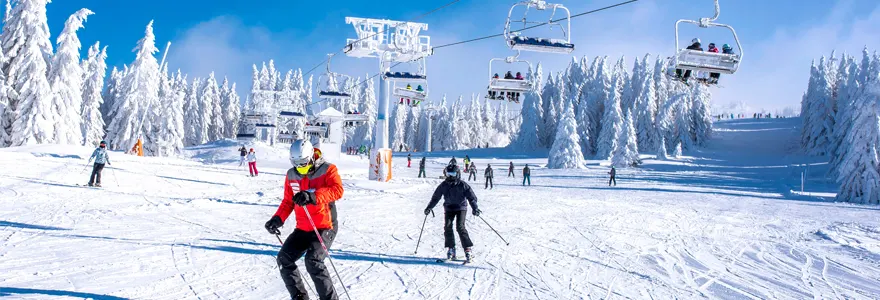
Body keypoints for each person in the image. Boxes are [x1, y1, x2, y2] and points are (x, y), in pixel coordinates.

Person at [264, 139, 344, 300]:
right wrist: (277, 219)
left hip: (324, 227)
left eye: (303, 162)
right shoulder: (292, 175)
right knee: (284, 259)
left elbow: (337, 190)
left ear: (311, 157)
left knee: (313, 261)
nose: (300, 167)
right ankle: (300, 297)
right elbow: (288, 201)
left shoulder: (328, 170)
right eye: (296, 163)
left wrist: (312, 196)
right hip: (303, 228)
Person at [424, 164, 480, 262]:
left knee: (460, 227)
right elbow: (436, 198)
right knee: (447, 227)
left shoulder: (463, 185)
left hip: (461, 208)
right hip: (449, 208)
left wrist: (475, 208)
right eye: (448, 174)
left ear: (457, 174)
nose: (450, 176)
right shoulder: (444, 185)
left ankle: (468, 250)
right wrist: (429, 208)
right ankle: (451, 250)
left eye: (453, 174)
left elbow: (472, 197)